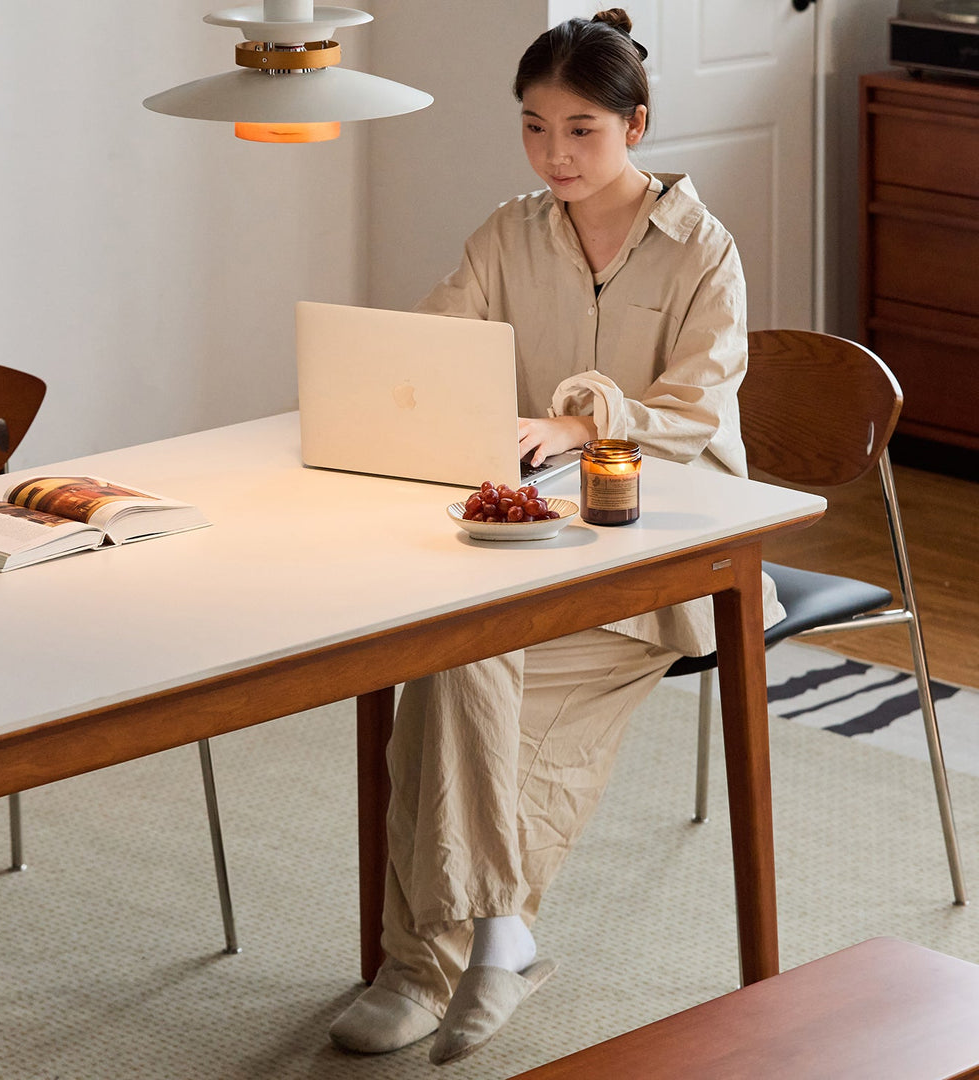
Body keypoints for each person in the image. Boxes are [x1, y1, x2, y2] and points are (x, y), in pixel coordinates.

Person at [329, 8, 785, 1066]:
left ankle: (428, 961)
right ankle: (494, 939)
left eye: (581, 129)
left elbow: (695, 413)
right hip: (528, 548)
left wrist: (582, 420)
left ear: (636, 124)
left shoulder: (704, 252)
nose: (555, 155)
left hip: (671, 559)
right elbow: (438, 346)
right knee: (452, 667)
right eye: (535, 128)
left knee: (453, 676)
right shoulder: (508, 231)